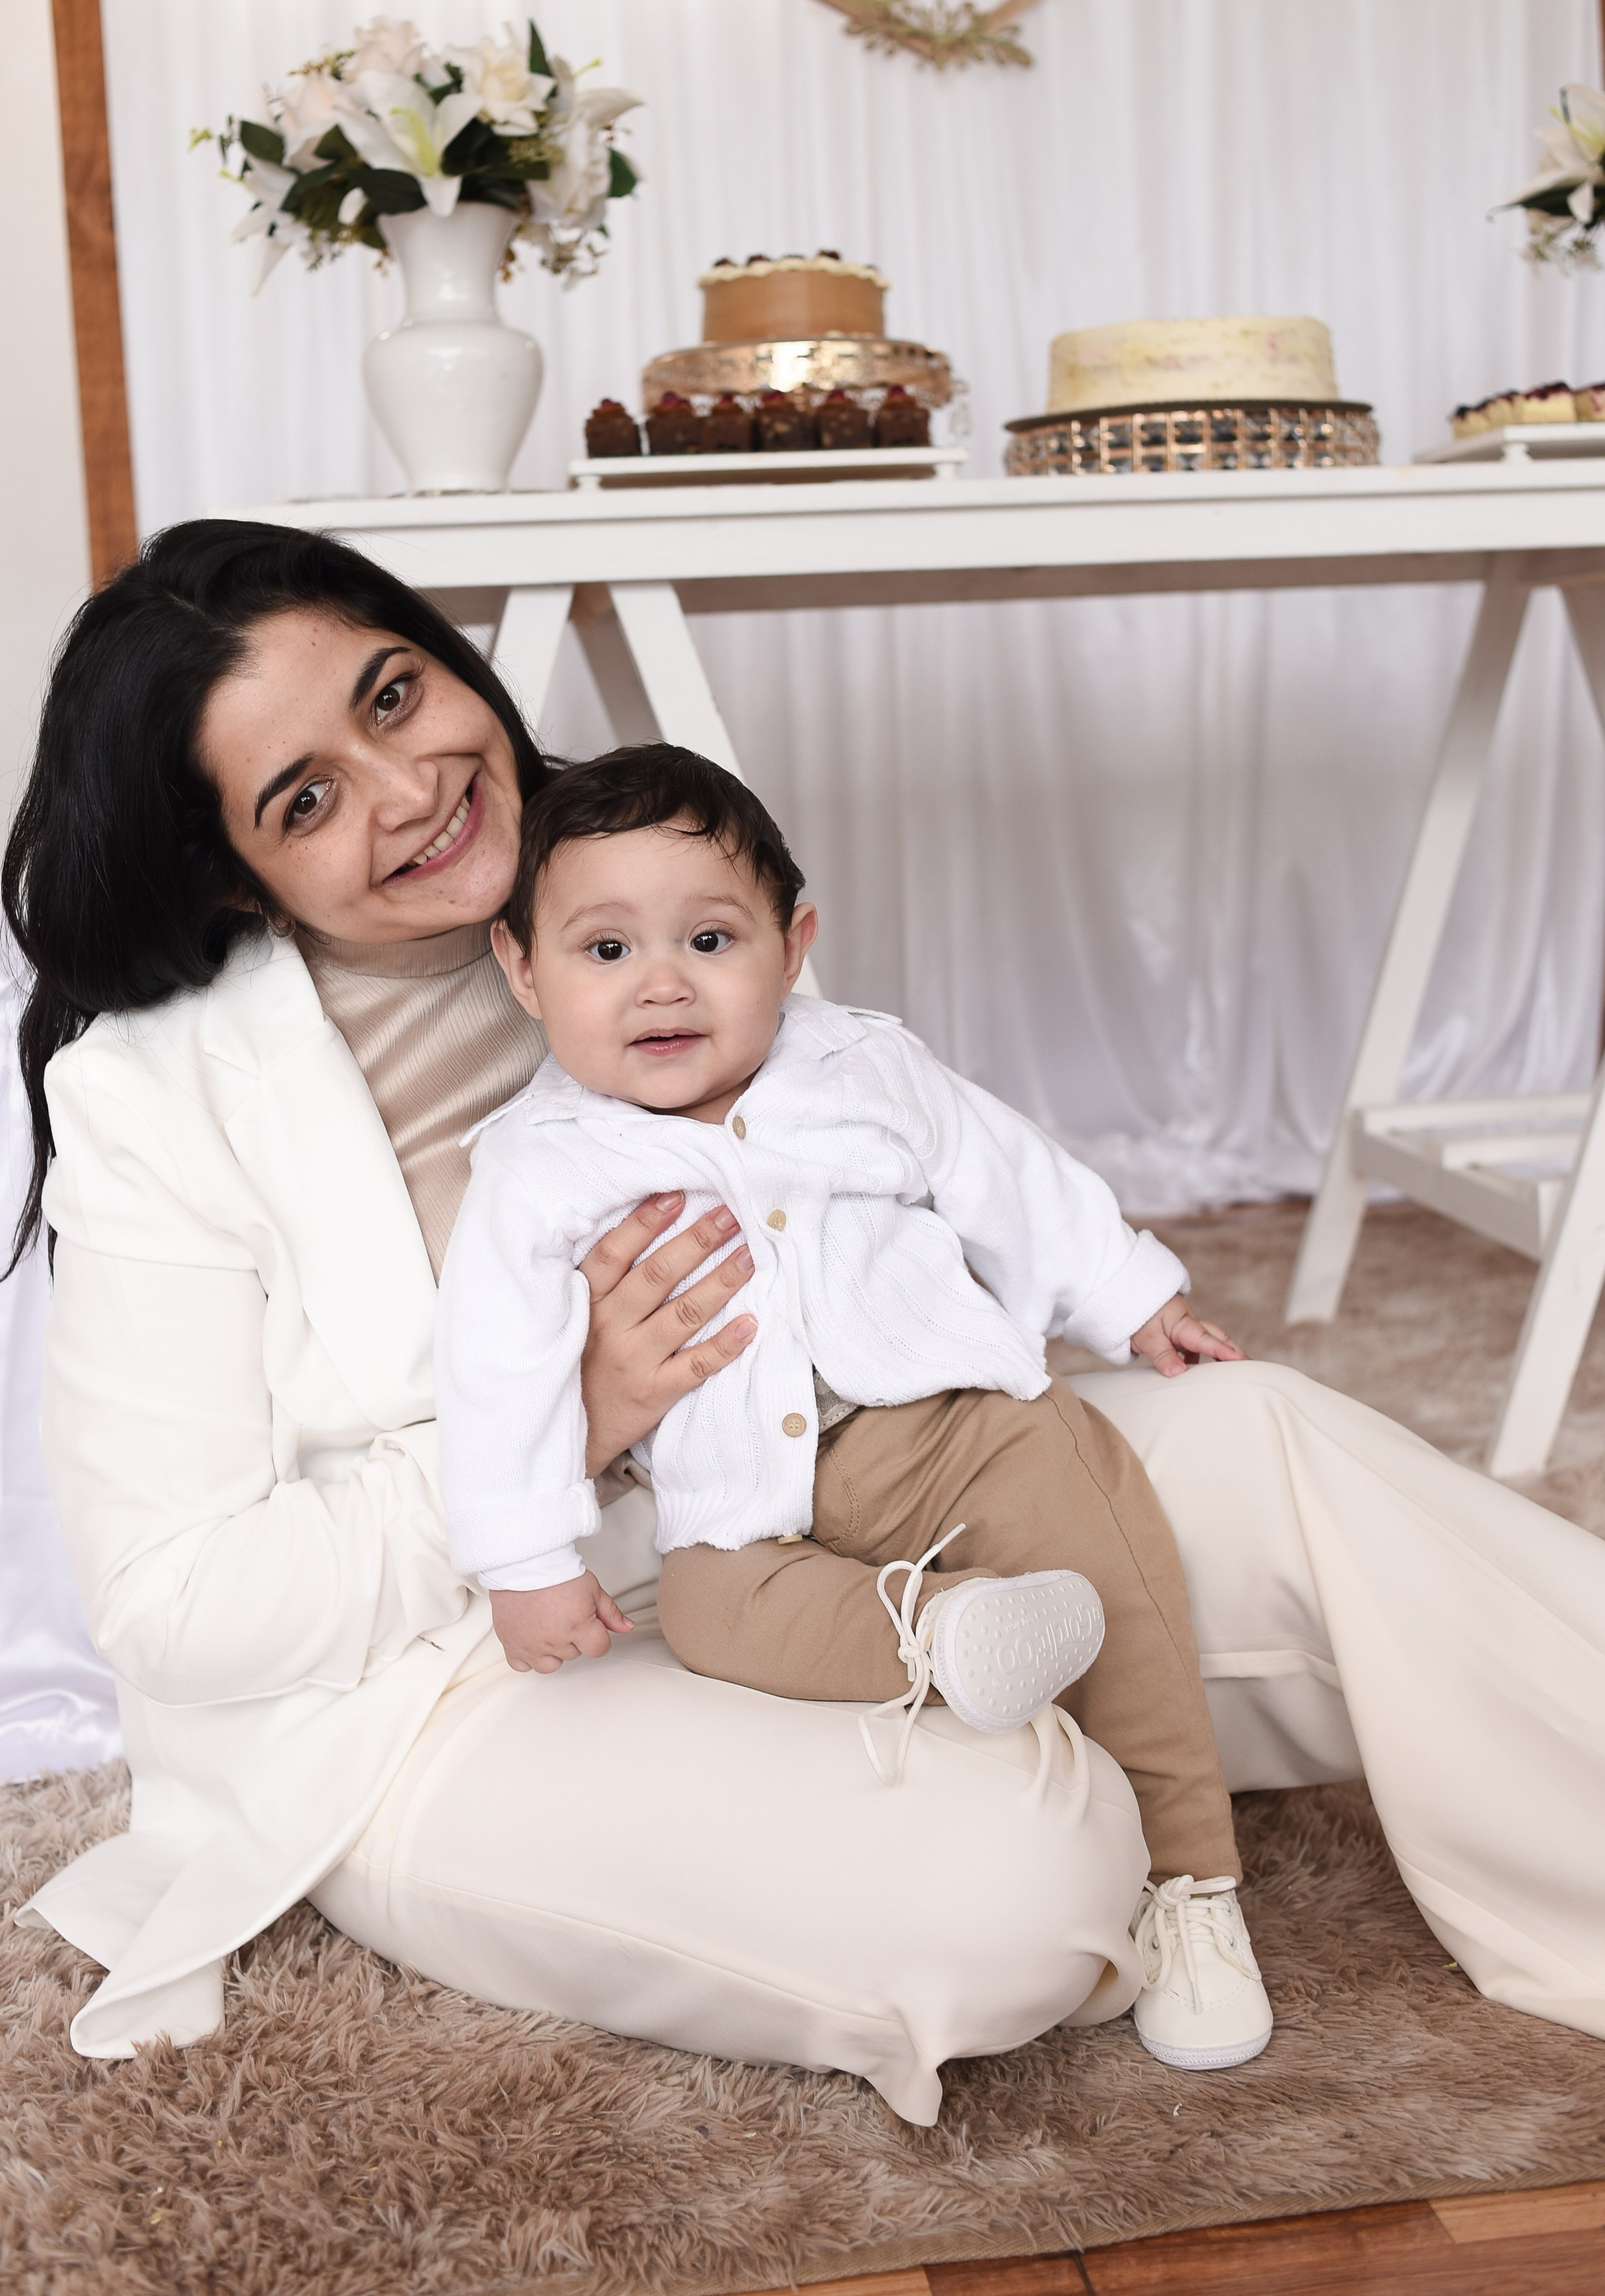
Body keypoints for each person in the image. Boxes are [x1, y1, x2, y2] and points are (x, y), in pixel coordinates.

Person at [3, 520, 1605, 2129]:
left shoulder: (642, 866)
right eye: (307, 798)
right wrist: (576, 1423)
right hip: (463, 1677)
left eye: (394, 695)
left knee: (1270, 1442)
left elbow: (906, 1150)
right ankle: (1092, 1772)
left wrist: (1096, 1304)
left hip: (847, 1477)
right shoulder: (151, 1099)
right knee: (1017, 1875)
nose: (408, 788)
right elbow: (174, 1603)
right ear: (232, 869)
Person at [436, 745, 1272, 2074]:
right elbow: (496, 1369)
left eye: (710, 939)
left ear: (793, 944)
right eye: (604, 950)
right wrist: (527, 1561)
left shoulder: (861, 1066)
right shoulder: (535, 1169)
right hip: (739, 1499)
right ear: (523, 969)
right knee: (711, 1616)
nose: (661, 982)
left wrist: (1131, 1298)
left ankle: (1188, 1884)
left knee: (1111, 1564)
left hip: (949, 1428)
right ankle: (951, 1632)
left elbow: (1008, 1175)